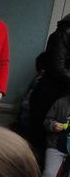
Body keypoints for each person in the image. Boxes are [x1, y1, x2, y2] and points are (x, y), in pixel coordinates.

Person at [28, 14, 70, 154]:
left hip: (57, 91)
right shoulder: (62, 34)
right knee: (40, 134)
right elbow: (57, 66)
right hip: (51, 91)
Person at [40, 95, 70, 177]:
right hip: (56, 145)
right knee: (49, 174)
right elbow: (47, 121)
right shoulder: (61, 102)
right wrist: (53, 125)